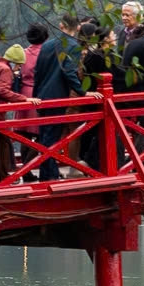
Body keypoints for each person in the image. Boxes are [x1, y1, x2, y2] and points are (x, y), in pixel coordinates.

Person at [33, 16, 86, 181]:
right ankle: (50, 175)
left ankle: (47, 173)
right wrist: (82, 91)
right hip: (57, 96)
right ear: (77, 28)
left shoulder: (48, 44)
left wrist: (37, 92)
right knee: (52, 138)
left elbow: (38, 71)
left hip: (42, 94)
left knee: (45, 137)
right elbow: (69, 71)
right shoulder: (73, 46)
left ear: (61, 25)